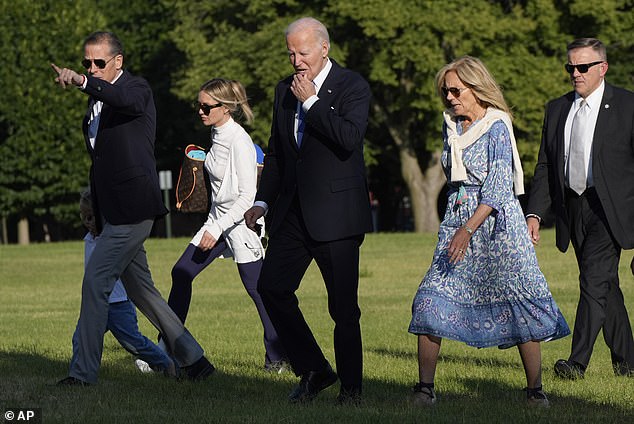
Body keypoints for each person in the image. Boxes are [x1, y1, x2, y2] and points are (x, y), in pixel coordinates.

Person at [51, 31, 214, 385]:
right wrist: (96, 212)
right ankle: (195, 361)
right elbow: (100, 164)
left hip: (134, 209)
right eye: (86, 64)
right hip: (112, 213)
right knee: (144, 292)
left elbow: (121, 98)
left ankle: (82, 375)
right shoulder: (95, 103)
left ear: (118, 61)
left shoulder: (136, 89)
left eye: (98, 63)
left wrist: (80, 81)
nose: (92, 69)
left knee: (95, 282)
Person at [408, 56, 570, 407]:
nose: (450, 97)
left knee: (519, 303)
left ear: (476, 88)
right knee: (429, 300)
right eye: (445, 91)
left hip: (498, 228)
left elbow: (497, 187)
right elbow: (454, 176)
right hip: (458, 221)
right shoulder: (451, 126)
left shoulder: (497, 126)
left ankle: (534, 391)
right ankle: (425, 389)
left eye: (456, 90)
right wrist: (458, 226)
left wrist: (468, 229)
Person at [244, 17, 373, 404]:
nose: (296, 61)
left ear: (323, 49)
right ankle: (314, 370)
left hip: (337, 215)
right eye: (290, 53)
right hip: (293, 213)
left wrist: (312, 102)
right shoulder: (284, 90)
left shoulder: (352, 86)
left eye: (302, 52)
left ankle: (351, 390)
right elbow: (278, 152)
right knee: (271, 287)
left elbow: (348, 138)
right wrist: (262, 200)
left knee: (343, 309)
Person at [526, 38, 634, 379]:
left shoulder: (628, 106)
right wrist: (534, 213)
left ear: (602, 68)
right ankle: (628, 363)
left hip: (611, 208)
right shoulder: (557, 108)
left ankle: (577, 363)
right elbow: (545, 165)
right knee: (604, 285)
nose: (575, 73)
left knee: (592, 280)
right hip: (572, 208)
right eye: (570, 67)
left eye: (583, 67)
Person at [167, 78, 288, 372]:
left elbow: (247, 196)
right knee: (181, 273)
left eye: (206, 106)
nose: (200, 111)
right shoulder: (216, 134)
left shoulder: (240, 141)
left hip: (240, 224)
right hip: (218, 220)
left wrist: (217, 228)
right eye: (199, 105)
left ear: (226, 108)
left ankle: (279, 356)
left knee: (259, 291)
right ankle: (167, 349)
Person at [78, 188, 171, 374]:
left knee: (133, 342)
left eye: (91, 217)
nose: (87, 223)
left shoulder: (113, 241)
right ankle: (79, 374)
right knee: (81, 338)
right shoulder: (89, 239)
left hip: (118, 304)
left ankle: (165, 363)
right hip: (97, 302)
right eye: (83, 217)